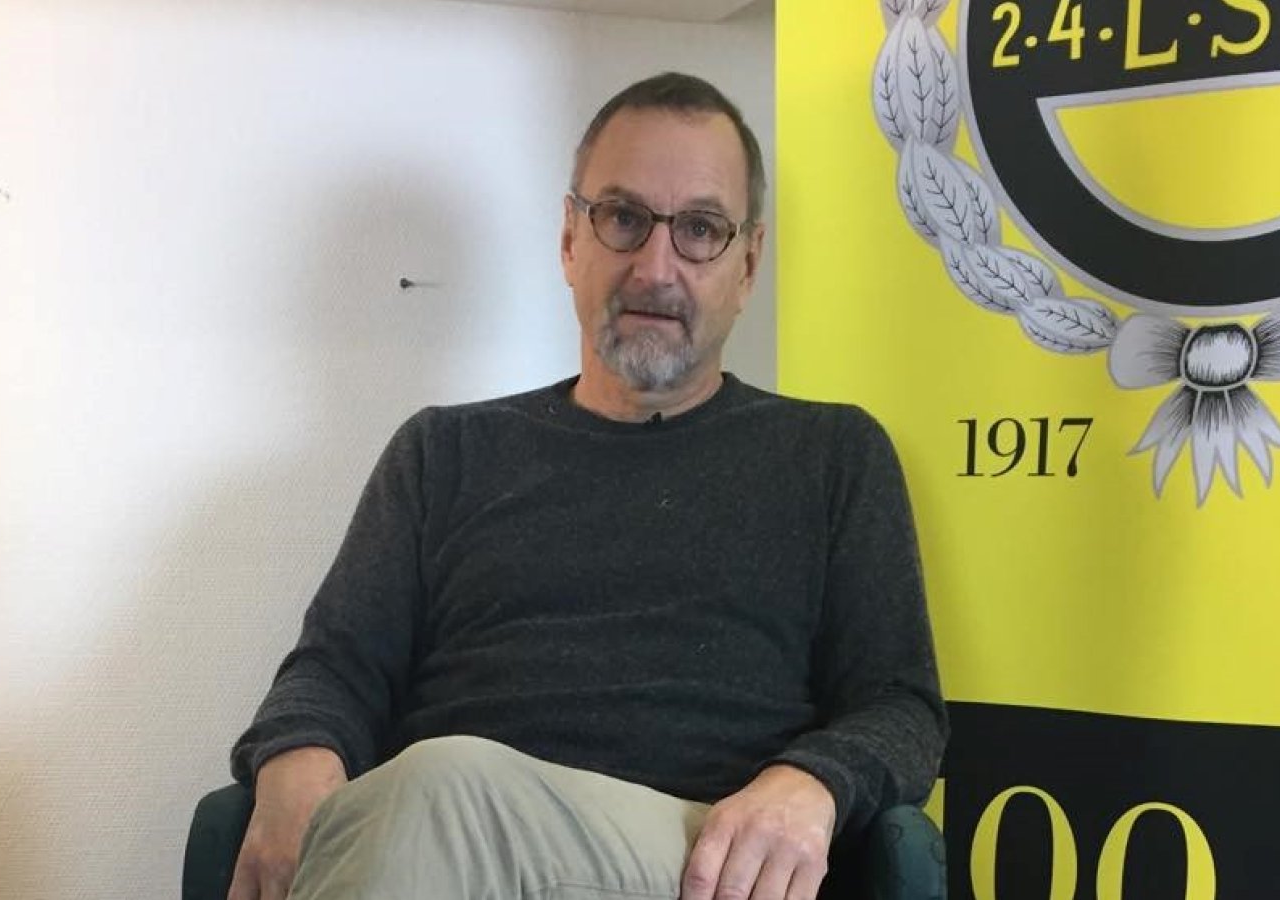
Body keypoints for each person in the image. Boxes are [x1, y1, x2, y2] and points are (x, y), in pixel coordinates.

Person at [224, 72, 946, 900]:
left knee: (436, 792)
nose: (656, 268)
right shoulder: (443, 453)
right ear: (571, 240)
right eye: (624, 218)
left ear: (748, 266)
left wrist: (812, 782)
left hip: (702, 865)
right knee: (415, 804)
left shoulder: (831, 456)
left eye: (700, 229)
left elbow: (901, 707)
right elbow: (333, 669)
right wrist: (295, 763)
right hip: (436, 860)